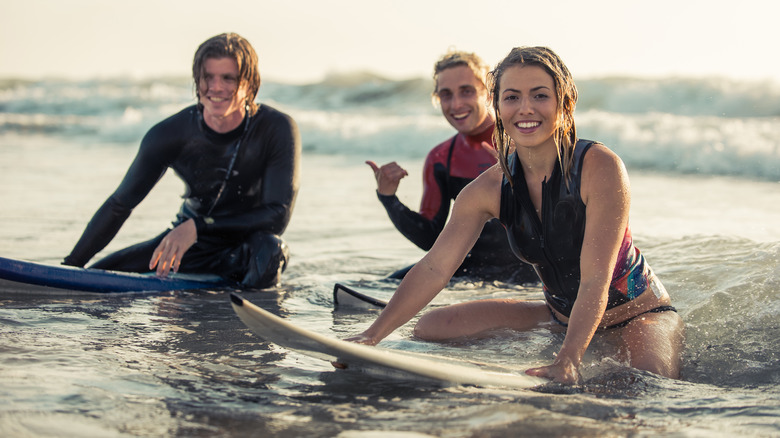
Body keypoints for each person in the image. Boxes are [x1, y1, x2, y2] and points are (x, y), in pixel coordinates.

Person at [347, 46, 685, 384]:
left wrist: (568, 359)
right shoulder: (488, 188)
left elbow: (596, 277)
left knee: (643, 382)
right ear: (497, 106)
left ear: (564, 103)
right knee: (431, 327)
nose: (525, 109)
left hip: (638, 313)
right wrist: (371, 337)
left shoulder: (599, 167)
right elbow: (435, 268)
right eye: (511, 98)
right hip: (559, 316)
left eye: (539, 95)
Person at [63, 33, 301, 289]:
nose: (216, 87)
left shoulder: (275, 129)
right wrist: (70, 267)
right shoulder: (171, 134)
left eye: (228, 78)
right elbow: (120, 205)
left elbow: (277, 215)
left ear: (250, 83)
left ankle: (244, 315)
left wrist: (199, 227)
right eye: (207, 77)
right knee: (97, 277)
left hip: (244, 251)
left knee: (271, 250)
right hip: (183, 247)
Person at [366, 50, 535, 283]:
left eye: (466, 91)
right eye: (446, 95)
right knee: (384, 285)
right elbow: (429, 238)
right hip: (471, 273)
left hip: (530, 274)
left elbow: (563, 225)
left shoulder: (526, 140)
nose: (456, 104)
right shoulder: (441, 157)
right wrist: (388, 197)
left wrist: (523, 172)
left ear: (487, 93)